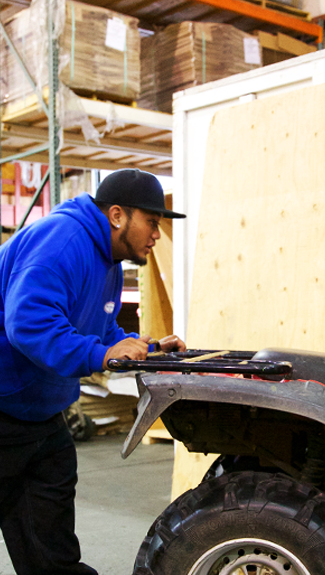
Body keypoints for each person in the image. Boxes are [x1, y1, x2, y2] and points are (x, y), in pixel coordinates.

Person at [0, 168, 187, 575]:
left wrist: (149, 350)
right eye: (152, 222)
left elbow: (102, 334)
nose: (157, 234)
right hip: (3, 406)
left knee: (51, 552)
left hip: (40, 415)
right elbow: (28, 324)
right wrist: (101, 354)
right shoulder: (62, 240)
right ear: (117, 215)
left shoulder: (109, 262)